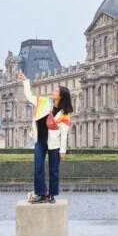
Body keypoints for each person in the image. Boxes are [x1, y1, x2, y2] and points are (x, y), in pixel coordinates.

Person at [17, 69, 73, 204]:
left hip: (54, 144)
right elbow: (29, 96)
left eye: (55, 91)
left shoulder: (65, 113)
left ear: (61, 96)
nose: (52, 92)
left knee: (54, 170)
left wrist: (63, 150)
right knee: (38, 168)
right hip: (40, 140)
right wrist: (25, 81)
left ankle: (52, 195)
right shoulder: (44, 102)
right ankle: (41, 193)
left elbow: (64, 133)